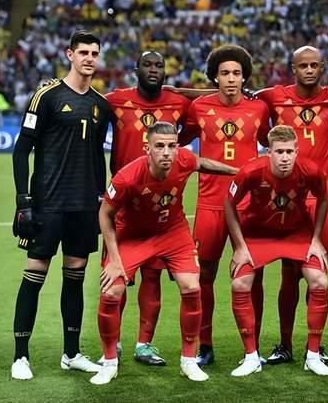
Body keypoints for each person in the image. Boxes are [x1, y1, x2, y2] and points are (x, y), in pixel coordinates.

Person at [91, 121, 238, 385]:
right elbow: (105, 214)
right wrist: (113, 259)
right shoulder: (127, 177)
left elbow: (202, 163)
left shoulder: (183, 160)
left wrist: (236, 171)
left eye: (172, 146)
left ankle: (188, 360)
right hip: (133, 235)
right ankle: (109, 362)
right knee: (111, 291)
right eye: (159, 146)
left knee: (192, 286)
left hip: (172, 231)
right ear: (147, 148)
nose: (167, 152)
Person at [11, 30, 110, 380]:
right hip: (48, 203)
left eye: (94, 53)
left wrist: (100, 197)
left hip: (83, 205)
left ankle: (71, 353)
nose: (89, 58)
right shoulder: (47, 96)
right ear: (69, 54)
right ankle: (20, 356)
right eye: (83, 52)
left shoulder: (101, 105)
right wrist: (23, 200)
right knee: (34, 276)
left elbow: (97, 156)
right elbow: (21, 150)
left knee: (75, 278)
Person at [181, 44, 270, 366]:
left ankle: (253, 346)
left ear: (244, 77)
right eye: (224, 73)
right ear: (215, 78)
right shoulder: (199, 108)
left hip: (248, 204)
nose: (231, 79)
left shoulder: (259, 109)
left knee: (253, 274)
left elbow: (270, 142)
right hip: (210, 204)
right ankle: (204, 345)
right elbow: (181, 140)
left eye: (236, 73)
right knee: (204, 275)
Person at [256, 45, 328, 364]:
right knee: (289, 276)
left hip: (323, 202)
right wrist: (177, 90)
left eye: (314, 65)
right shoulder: (274, 97)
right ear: (293, 69)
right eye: (303, 65)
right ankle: (285, 344)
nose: (309, 70)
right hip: (288, 201)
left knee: (317, 275)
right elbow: (236, 93)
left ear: (322, 67)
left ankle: (314, 345)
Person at [103, 50, 191, 366]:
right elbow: (86, 98)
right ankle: (113, 344)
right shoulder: (116, 100)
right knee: (117, 277)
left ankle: (144, 345)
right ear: (135, 69)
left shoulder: (178, 103)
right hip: (122, 203)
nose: (153, 69)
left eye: (159, 65)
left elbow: (194, 114)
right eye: (148, 65)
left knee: (152, 276)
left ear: (165, 72)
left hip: (159, 204)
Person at [225, 125, 328, 377]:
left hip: (296, 232)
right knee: (240, 283)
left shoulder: (311, 171)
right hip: (258, 233)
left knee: (319, 281)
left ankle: (313, 356)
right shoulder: (250, 172)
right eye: (279, 152)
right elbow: (229, 204)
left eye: (289, 152)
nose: (285, 157)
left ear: (297, 151)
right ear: (268, 152)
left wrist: (316, 239)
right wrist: (239, 247)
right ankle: (251, 356)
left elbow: (324, 199)